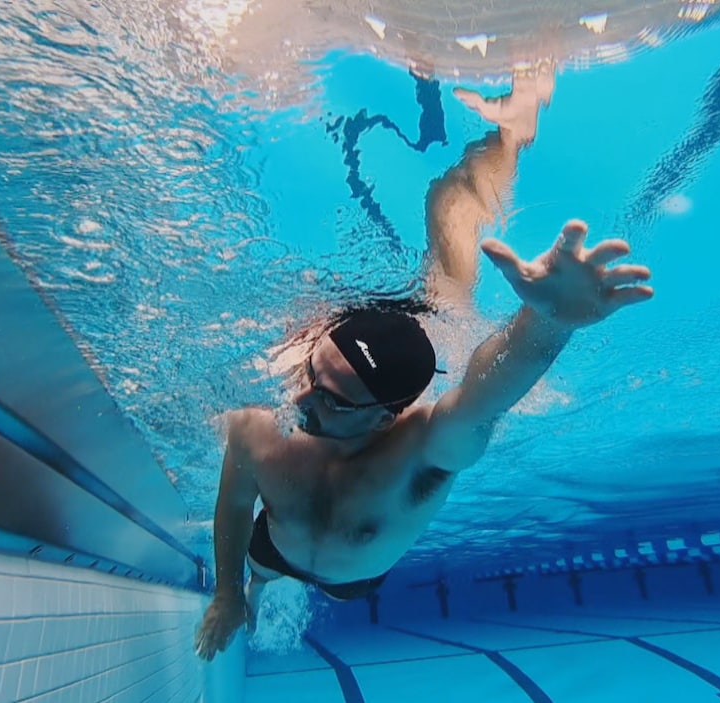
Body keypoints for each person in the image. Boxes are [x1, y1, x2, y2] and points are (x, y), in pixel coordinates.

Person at [195, 66, 653, 660]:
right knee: (260, 571)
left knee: (451, 269)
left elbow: (487, 391)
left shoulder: (422, 451)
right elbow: (235, 505)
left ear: (387, 416)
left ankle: (511, 136)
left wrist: (549, 321)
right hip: (273, 545)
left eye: (330, 401)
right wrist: (228, 593)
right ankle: (254, 589)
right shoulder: (259, 430)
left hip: (353, 568)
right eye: (312, 377)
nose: (300, 402)